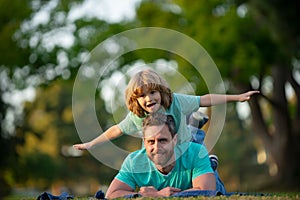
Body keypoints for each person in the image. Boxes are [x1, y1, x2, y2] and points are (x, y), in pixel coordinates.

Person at [73, 69, 259, 150]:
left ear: (161, 92)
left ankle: (195, 125)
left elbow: (205, 99)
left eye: (152, 92)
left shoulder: (176, 102)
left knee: (195, 142)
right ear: (135, 101)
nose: (148, 98)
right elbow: (115, 130)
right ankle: (194, 121)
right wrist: (90, 144)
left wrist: (237, 97)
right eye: (142, 96)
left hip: (184, 144)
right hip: (161, 152)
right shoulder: (138, 117)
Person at [105, 112, 217, 198]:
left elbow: (208, 191)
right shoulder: (133, 162)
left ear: (174, 140)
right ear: (144, 142)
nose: (157, 147)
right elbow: (111, 194)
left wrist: (162, 195)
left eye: (162, 140)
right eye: (151, 142)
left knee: (195, 140)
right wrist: (149, 195)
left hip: (194, 155)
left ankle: (193, 129)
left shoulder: (196, 152)